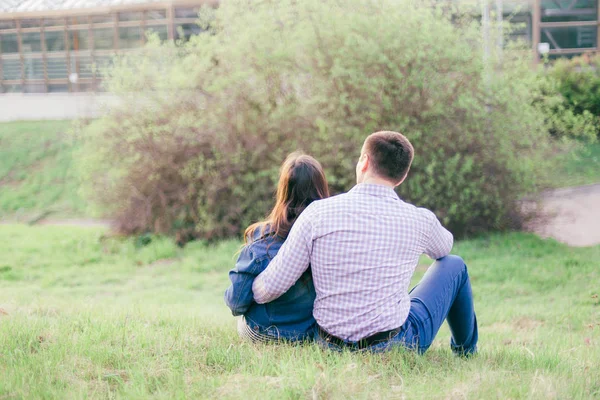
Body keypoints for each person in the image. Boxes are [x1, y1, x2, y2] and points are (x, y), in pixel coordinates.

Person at [252, 131, 478, 354]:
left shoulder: (317, 213)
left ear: (364, 162)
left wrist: (245, 291)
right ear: (402, 176)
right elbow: (444, 248)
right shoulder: (420, 219)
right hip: (393, 343)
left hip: (329, 343)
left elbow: (270, 288)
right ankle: (466, 351)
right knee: (454, 264)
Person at [224, 152, 330, 342]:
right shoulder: (330, 240)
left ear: (283, 190)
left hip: (265, 331)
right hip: (310, 333)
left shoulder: (263, 240)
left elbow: (236, 303)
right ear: (321, 188)